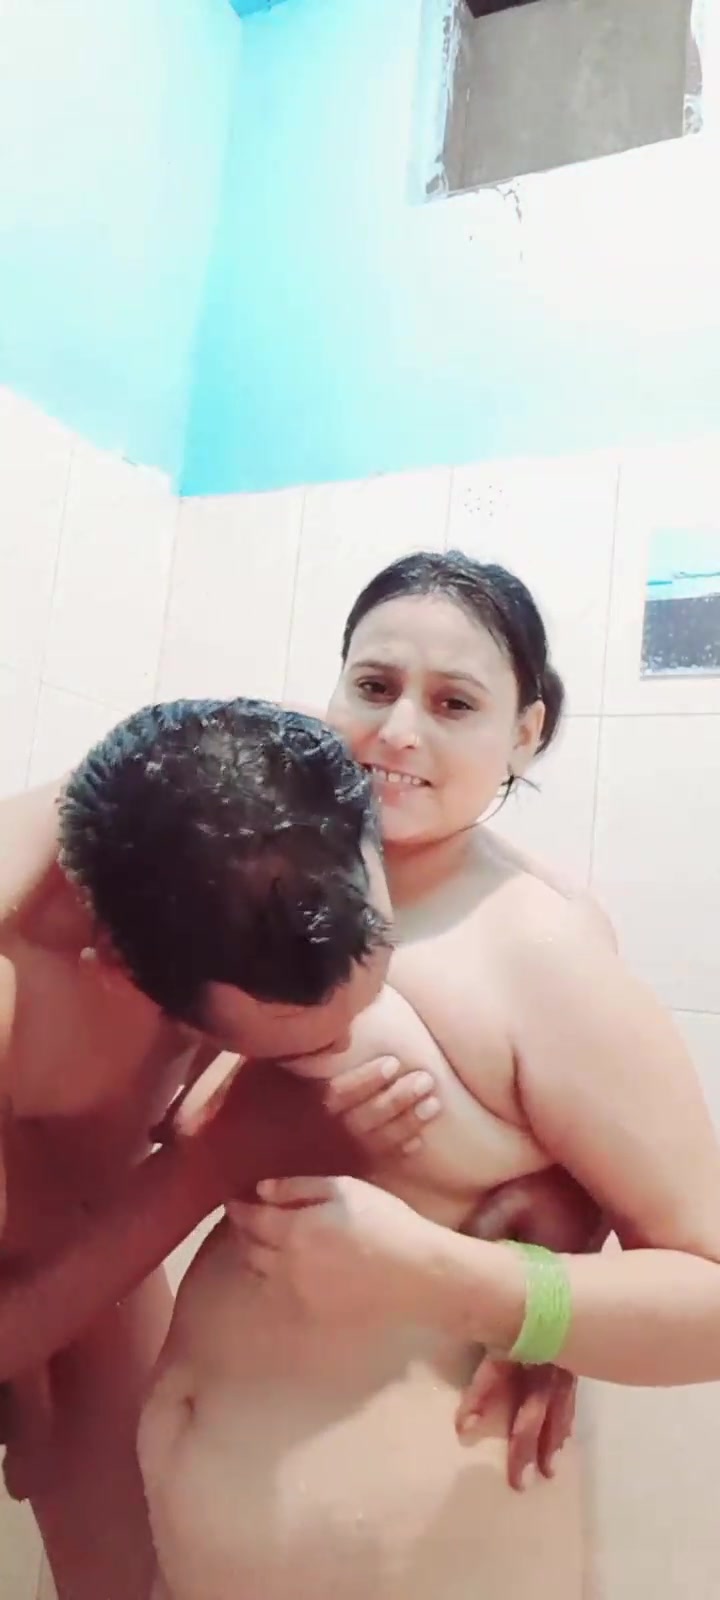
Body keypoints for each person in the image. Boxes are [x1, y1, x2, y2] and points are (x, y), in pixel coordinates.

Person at [138, 548, 720, 1600]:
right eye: (373, 685)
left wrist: (456, 1281)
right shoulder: (263, 875)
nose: (399, 730)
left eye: (454, 702)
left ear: (526, 732)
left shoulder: (536, 947)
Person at [0, 698, 428, 1600]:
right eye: (291, 1038)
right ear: (121, 971)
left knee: (137, 1580)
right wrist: (207, 1163)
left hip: (88, 1233)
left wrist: (562, 1229)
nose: (341, 1050)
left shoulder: (276, 783)